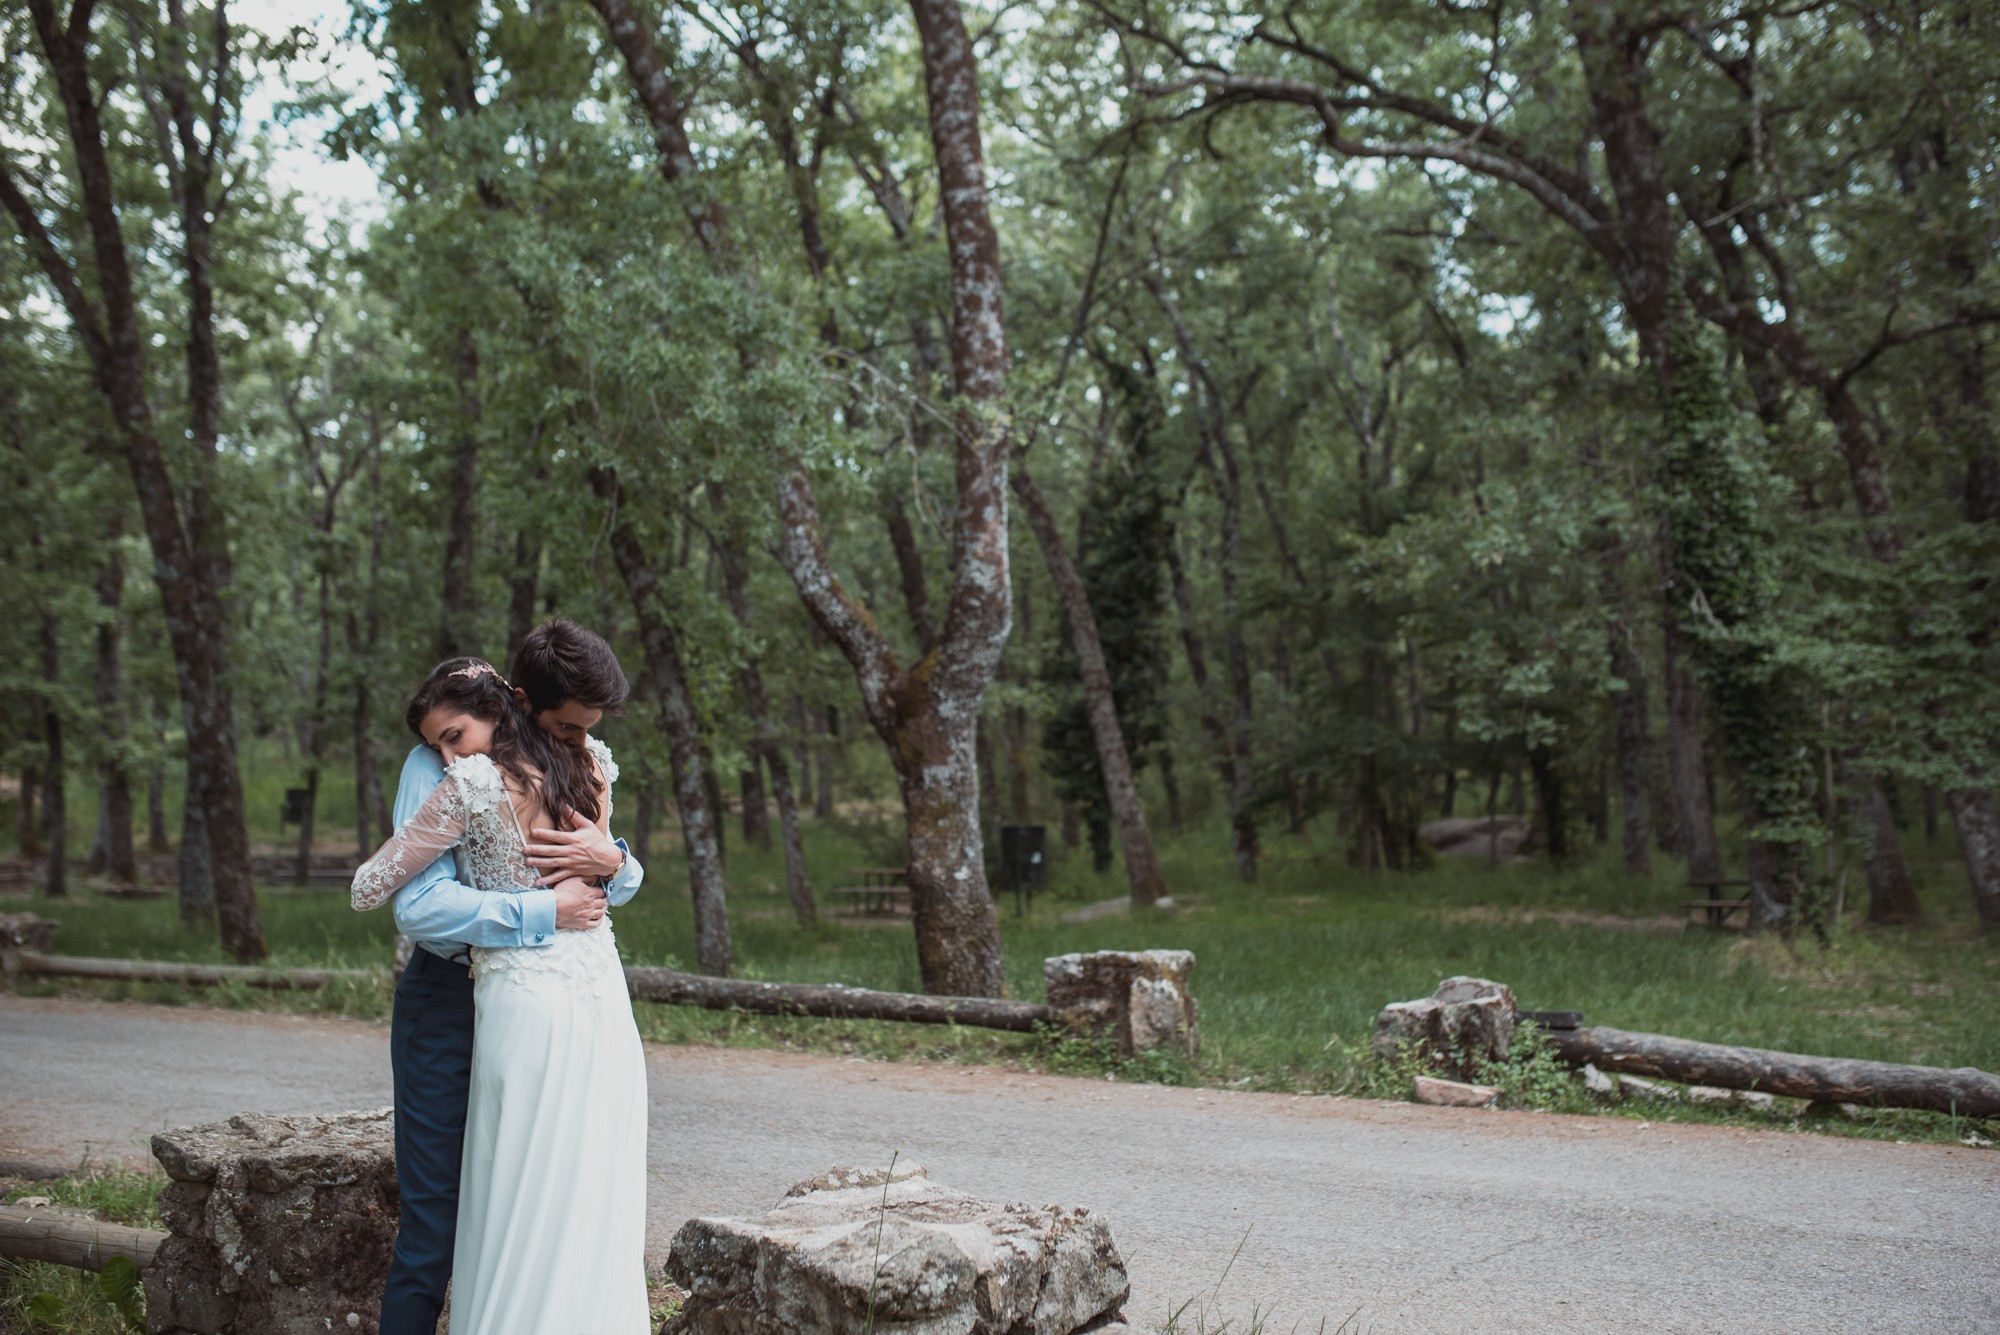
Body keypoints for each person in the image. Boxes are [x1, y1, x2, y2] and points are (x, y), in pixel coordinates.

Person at [367, 623, 645, 1334]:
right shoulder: (442, 769)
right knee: (435, 1229)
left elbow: (613, 874)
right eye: (439, 738)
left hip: (553, 998)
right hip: (451, 999)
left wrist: (613, 859)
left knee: (565, 1198)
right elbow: (417, 905)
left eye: (454, 733)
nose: (446, 747)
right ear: (525, 702)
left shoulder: (572, 758)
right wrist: (541, 910)